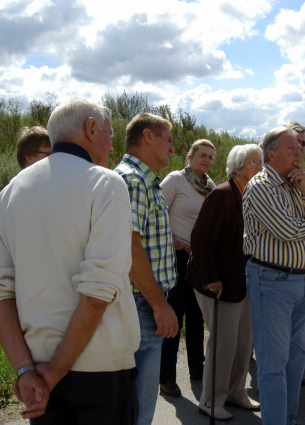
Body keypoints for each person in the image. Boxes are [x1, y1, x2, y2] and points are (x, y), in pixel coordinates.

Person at [0, 98, 140, 424]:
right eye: (110, 134)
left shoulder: (11, 191)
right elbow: (97, 293)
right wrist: (54, 371)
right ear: (91, 128)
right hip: (100, 371)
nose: (112, 147)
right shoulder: (105, 183)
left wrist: (26, 371)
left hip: (38, 375)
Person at [243, 126, 305, 425]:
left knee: (295, 362)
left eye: (300, 148)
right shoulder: (260, 186)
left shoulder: (296, 184)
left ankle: (287, 419)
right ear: (271, 154)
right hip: (271, 282)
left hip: (300, 283)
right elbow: (287, 231)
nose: (300, 153)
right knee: (272, 365)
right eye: (292, 148)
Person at [187, 144, 263, 420]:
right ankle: (210, 400)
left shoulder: (254, 195)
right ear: (238, 167)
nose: (260, 166)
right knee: (224, 342)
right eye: (254, 161)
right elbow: (200, 240)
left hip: (244, 282)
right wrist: (212, 279)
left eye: (261, 161)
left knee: (245, 340)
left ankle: (236, 391)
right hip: (219, 283)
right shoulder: (221, 194)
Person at [114, 113, 179, 425]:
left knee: (138, 401)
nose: (172, 149)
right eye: (168, 139)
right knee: (138, 405)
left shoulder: (144, 180)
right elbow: (129, 247)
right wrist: (158, 303)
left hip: (144, 304)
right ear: (148, 136)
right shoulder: (134, 181)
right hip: (141, 305)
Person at [159, 139, 215, 397]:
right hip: (177, 257)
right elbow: (156, 214)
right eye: (202, 155)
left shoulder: (210, 185)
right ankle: (166, 376)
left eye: (210, 157)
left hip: (199, 260)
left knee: (196, 317)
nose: (206, 160)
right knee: (174, 317)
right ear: (190, 156)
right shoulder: (176, 180)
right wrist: (174, 243)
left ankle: (197, 369)